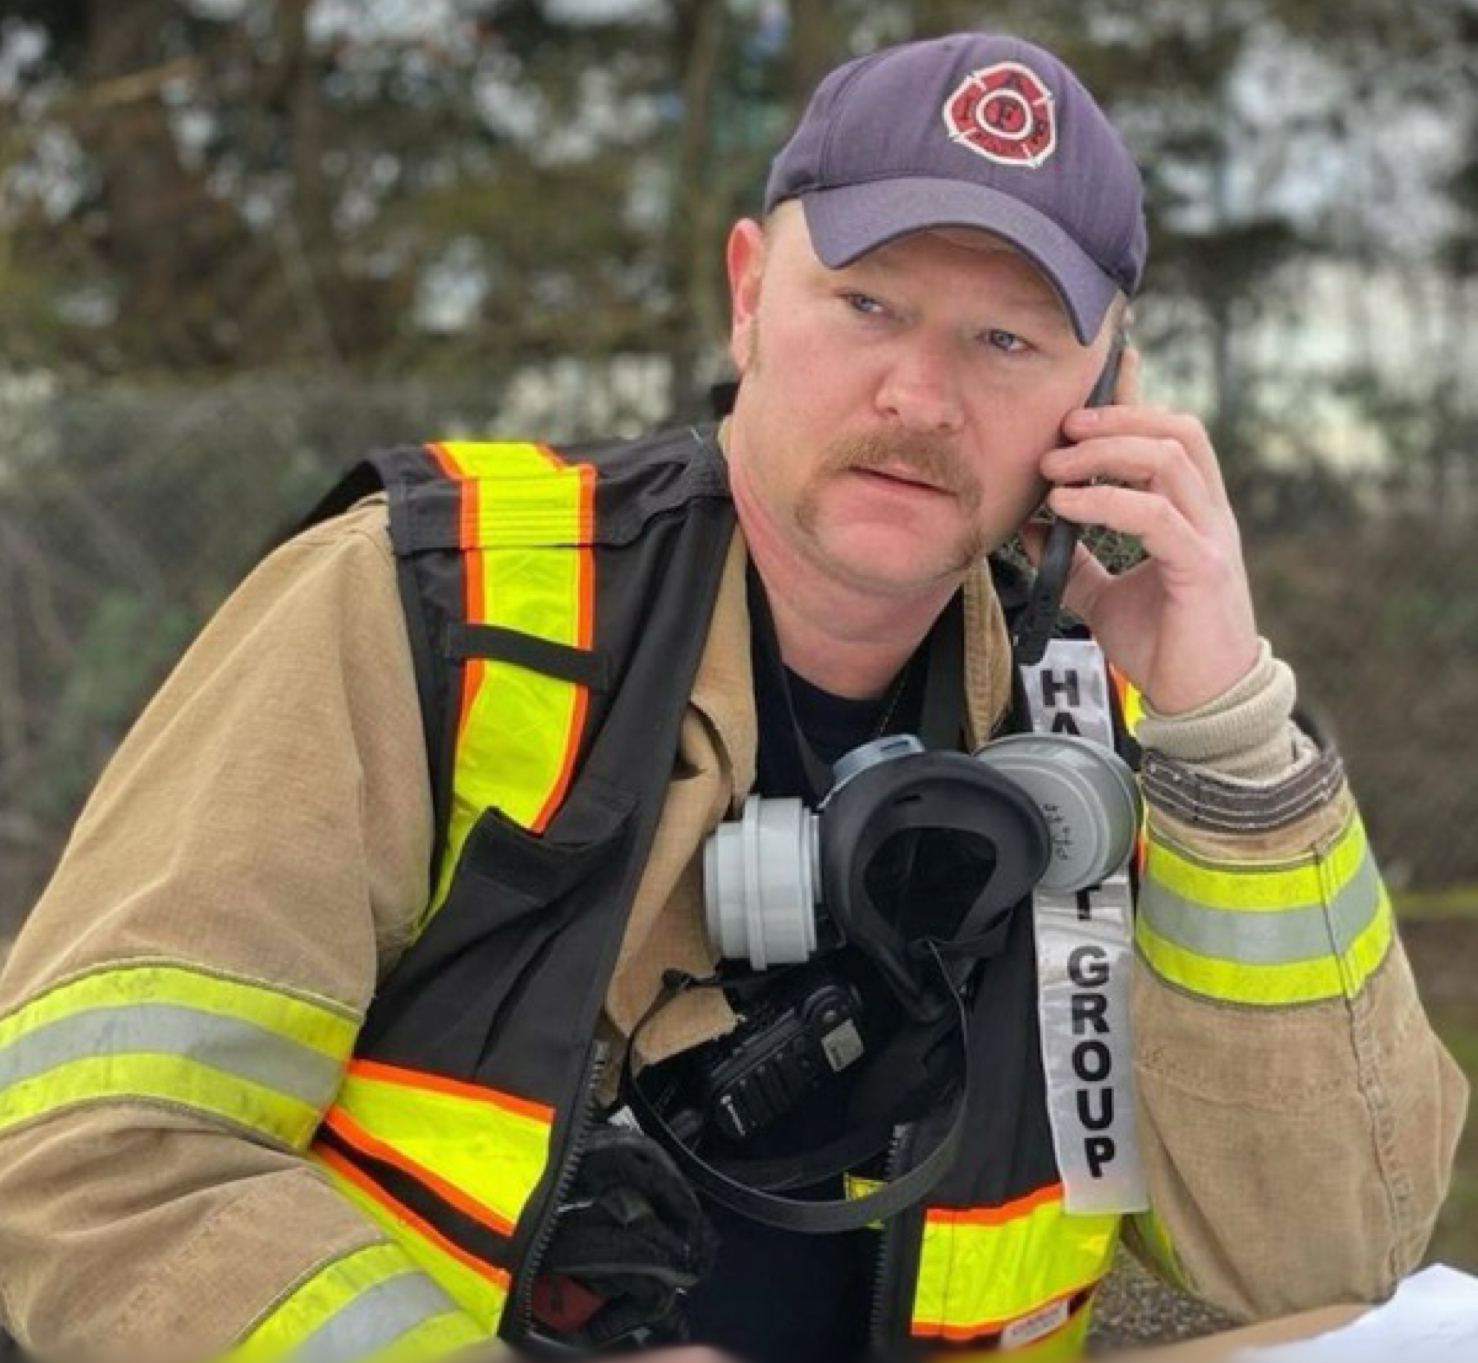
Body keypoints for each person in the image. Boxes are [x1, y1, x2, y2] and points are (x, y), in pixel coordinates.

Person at [0, 30, 1466, 1363]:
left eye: (1005, 340)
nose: (919, 395)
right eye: (867, 303)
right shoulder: (424, 604)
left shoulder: (1122, 728)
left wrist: (1228, 726)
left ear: (1109, 389)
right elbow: (92, 1159)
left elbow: (1327, 1260)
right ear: (750, 295)